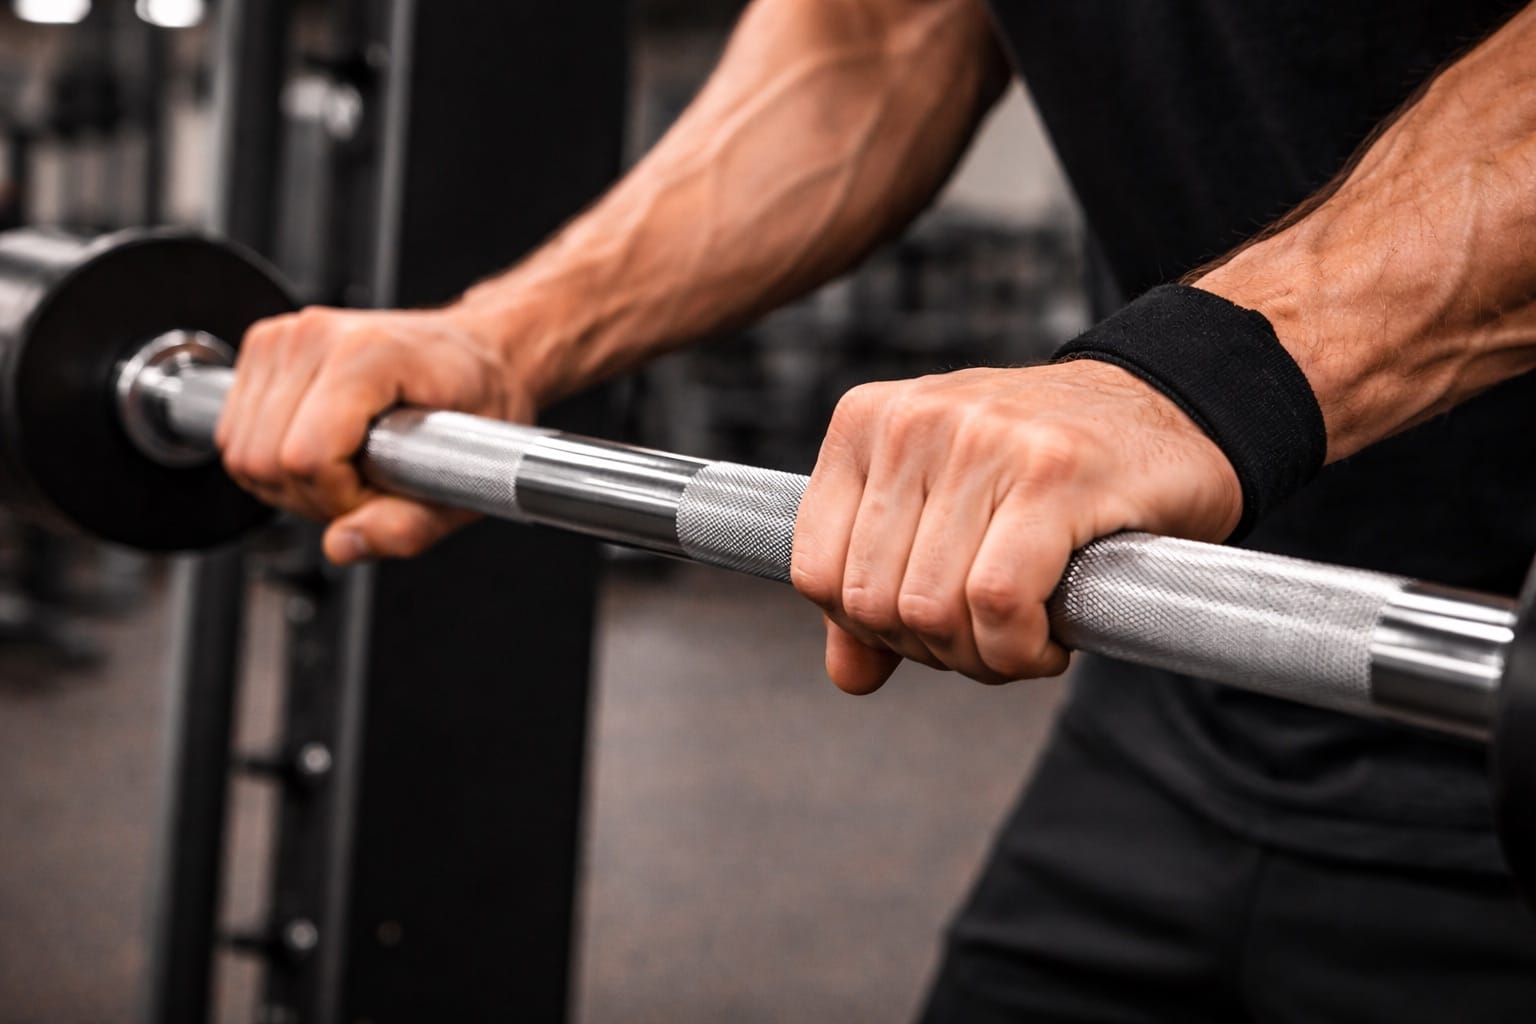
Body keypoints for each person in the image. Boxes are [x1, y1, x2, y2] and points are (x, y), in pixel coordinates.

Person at [217, 0, 1536, 1018]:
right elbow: (870, 46)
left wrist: (1205, 374)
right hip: (1183, 670)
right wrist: (504, 339)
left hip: (1497, 699)